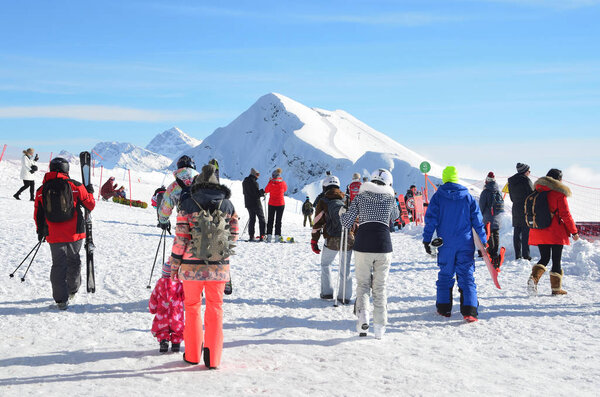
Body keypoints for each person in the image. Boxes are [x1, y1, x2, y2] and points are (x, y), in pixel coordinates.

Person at [170, 164, 239, 369]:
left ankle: (192, 355)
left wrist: (175, 265)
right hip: (218, 267)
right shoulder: (228, 205)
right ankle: (213, 359)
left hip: (191, 268)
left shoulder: (187, 204)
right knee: (215, 309)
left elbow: (181, 239)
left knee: (191, 309)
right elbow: (233, 237)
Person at [422, 166, 486, 322]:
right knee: (466, 275)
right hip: (465, 242)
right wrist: (483, 242)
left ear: (445, 178)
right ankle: (470, 310)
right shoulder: (467, 197)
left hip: (446, 244)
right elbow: (477, 221)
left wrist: (426, 239)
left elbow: (431, 220)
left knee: (445, 274)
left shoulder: (438, 197)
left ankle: (444, 308)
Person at [340, 168, 399, 339]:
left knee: (363, 285)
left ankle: (363, 318)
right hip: (383, 246)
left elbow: (347, 222)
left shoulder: (360, 196)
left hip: (363, 245)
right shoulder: (390, 198)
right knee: (380, 288)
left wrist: (342, 213)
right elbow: (395, 216)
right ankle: (380, 327)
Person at [33, 157, 95, 310]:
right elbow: (90, 204)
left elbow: (38, 214)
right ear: (66, 169)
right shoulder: (75, 185)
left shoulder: (41, 190)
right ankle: (73, 289)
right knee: (73, 260)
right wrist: (89, 192)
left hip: (53, 234)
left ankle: (61, 300)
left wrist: (40, 231)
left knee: (58, 264)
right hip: (75, 232)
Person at [527, 169, 579, 296]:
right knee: (556, 260)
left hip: (539, 230)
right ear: (558, 180)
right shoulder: (558, 194)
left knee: (544, 257)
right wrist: (574, 232)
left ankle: (533, 279)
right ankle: (556, 289)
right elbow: (566, 215)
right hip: (555, 232)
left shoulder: (536, 192)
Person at [311, 175, 354, 304]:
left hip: (331, 239)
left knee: (325, 264)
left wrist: (314, 240)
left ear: (325, 186)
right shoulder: (346, 199)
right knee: (345, 267)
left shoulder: (323, 201)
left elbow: (317, 222)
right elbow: (355, 219)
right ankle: (344, 297)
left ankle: (327, 293)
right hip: (348, 237)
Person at [157, 155, 199, 233]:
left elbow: (165, 206)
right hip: (204, 223)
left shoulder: (174, 186)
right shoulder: (203, 181)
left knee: (182, 244)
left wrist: (163, 221)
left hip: (184, 224)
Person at [149, 262, 184, 353]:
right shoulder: (179, 285)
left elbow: (153, 298)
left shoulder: (159, 285)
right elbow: (185, 296)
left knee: (162, 328)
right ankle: (176, 344)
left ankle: (163, 341)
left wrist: (153, 309)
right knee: (178, 328)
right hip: (176, 313)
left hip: (162, 314)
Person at [508, 162, 534, 260]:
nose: (529, 172)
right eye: (529, 171)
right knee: (525, 233)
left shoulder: (511, 181)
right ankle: (526, 255)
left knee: (517, 232)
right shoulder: (526, 181)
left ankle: (517, 255)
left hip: (515, 208)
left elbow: (511, 197)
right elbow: (532, 195)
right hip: (526, 209)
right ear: (525, 171)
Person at [479, 172, 504, 266]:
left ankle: (492, 254)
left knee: (489, 235)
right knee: (496, 234)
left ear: (486, 181)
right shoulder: (498, 191)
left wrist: (479, 217)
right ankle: (495, 253)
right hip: (497, 217)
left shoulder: (485, 192)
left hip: (488, 218)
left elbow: (481, 206)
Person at [242, 168, 266, 241]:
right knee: (261, 219)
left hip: (248, 203)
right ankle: (262, 236)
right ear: (254, 174)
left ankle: (251, 236)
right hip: (256, 203)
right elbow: (256, 194)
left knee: (252, 219)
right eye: (257, 174)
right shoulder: (254, 183)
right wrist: (262, 192)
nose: (258, 176)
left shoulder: (244, 181)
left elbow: (245, 193)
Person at [264, 167, 287, 242]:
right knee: (278, 220)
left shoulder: (271, 183)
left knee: (270, 220)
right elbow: (285, 189)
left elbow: (266, 190)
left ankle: (269, 236)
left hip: (272, 204)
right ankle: (277, 236)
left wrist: (269, 182)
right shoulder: (283, 183)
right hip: (281, 204)